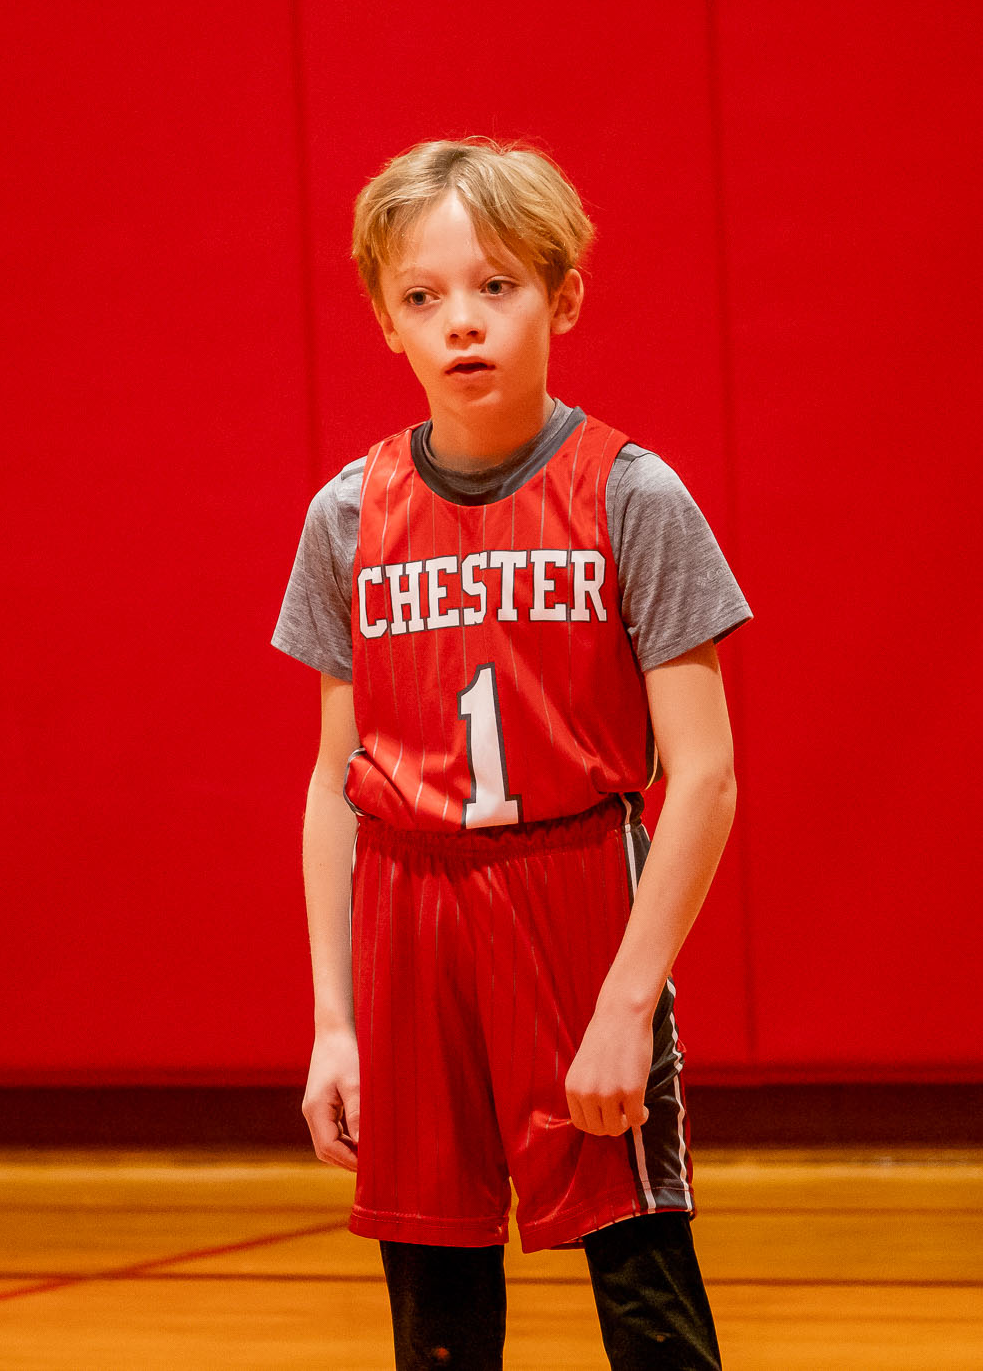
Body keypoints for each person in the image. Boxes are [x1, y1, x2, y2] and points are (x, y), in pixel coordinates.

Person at [273, 138, 748, 1369]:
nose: (460, 325)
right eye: (422, 298)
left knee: (645, 1301)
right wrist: (334, 1022)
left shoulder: (630, 494)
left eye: (496, 286)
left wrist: (624, 1007)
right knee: (433, 1313)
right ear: (384, 319)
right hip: (408, 913)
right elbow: (336, 780)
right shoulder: (347, 515)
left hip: (578, 901)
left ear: (564, 295)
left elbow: (701, 774)